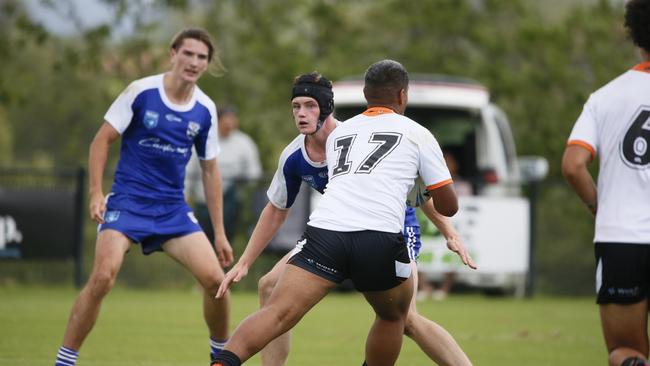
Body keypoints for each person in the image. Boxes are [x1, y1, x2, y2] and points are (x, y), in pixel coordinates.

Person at [212, 60, 460, 366]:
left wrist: (449, 231)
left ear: (329, 108)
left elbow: (417, 197)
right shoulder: (298, 153)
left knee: (407, 319)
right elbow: (277, 208)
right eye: (296, 106)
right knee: (271, 286)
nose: (301, 114)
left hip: (383, 226)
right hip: (363, 233)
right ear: (402, 96)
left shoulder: (348, 134)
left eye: (309, 106)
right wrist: (245, 261)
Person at [53, 28, 234, 366]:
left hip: (172, 210)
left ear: (208, 64)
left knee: (215, 281)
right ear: (173, 54)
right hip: (128, 203)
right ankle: (65, 360)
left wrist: (220, 233)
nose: (194, 62)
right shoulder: (141, 92)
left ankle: (220, 356)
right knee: (104, 276)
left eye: (202, 57)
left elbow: (211, 171)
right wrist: (95, 193)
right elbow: (100, 141)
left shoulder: (205, 109)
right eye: (188, 54)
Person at [562, 2, 650, 365]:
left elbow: (573, 166)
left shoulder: (605, 97)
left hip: (622, 237)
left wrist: (599, 204)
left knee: (624, 351)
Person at [186, 106, 262, 242]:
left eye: (232, 119)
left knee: (226, 238)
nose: (229, 124)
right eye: (226, 120)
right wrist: (186, 194)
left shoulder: (244, 142)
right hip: (204, 202)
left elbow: (254, 172)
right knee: (204, 239)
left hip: (230, 202)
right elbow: (189, 170)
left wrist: (243, 180)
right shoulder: (204, 140)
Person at [419, 150, 473, 301]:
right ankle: (424, 287)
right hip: (430, 225)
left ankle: (444, 289)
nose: (447, 165)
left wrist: (451, 233)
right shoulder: (423, 183)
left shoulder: (462, 185)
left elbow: (452, 208)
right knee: (418, 252)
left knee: (452, 253)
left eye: (449, 162)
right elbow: (421, 198)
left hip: (452, 224)